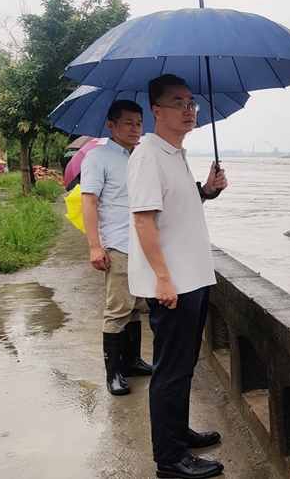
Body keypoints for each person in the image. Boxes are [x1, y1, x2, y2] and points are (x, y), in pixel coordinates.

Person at [127, 74, 227, 479]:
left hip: (192, 276)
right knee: (170, 370)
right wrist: (163, 279)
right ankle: (170, 459)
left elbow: (177, 207)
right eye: (178, 103)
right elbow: (143, 221)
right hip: (175, 283)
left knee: (182, 367)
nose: (189, 110)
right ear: (156, 110)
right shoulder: (149, 154)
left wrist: (207, 190)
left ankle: (177, 432)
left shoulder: (173, 153)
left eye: (191, 103)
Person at [80, 100, 154, 396]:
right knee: (118, 307)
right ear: (111, 125)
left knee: (136, 306)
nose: (135, 128)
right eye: (128, 123)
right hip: (118, 244)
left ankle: (132, 361)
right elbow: (89, 202)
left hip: (143, 244)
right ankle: (113, 373)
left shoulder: (140, 156)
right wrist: (95, 246)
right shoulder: (99, 157)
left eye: (138, 122)